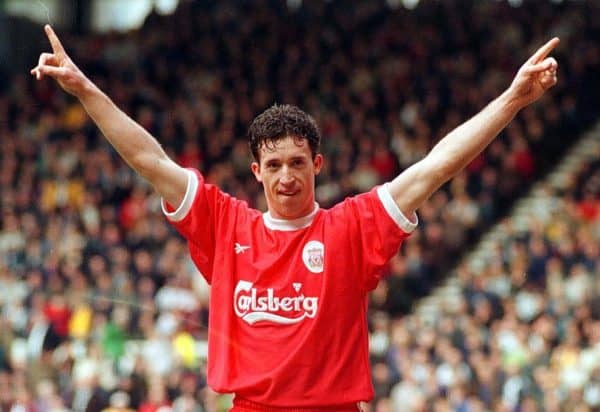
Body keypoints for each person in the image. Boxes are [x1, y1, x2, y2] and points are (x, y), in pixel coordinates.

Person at [31, 24, 559, 411]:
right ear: (256, 170)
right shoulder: (225, 224)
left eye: (298, 163)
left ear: (318, 165)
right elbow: (149, 159)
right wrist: (85, 90)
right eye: (275, 164)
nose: (287, 176)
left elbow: (438, 165)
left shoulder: (353, 227)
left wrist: (512, 100)